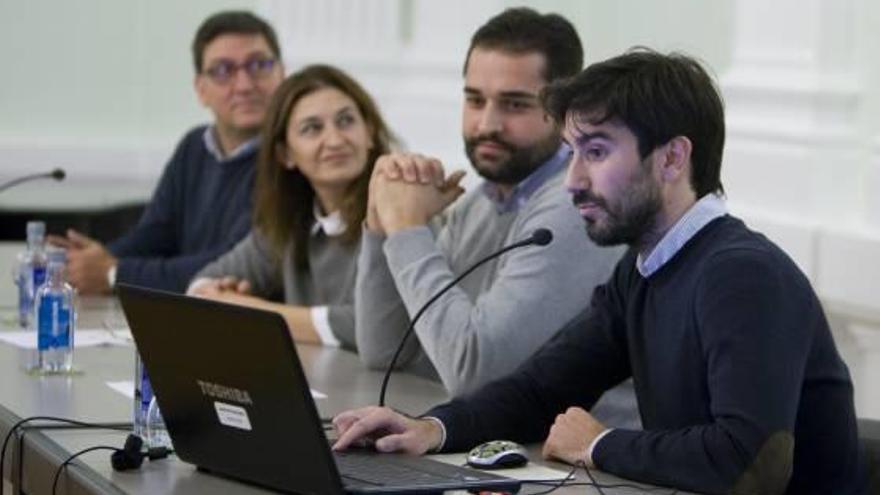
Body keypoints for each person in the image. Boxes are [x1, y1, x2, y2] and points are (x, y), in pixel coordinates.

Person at [332, 49, 868, 495]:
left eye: (596, 151)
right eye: (571, 153)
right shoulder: (643, 271)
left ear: (672, 159)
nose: (573, 180)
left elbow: (749, 462)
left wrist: (599, 443)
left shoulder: (743, 275)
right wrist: (431, 428)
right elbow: (539, 389)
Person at [355, 7, 625, 410]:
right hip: (495, 436)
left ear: (566, 111)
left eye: (515, 104)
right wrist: (382, 220)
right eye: (474, 100)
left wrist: (407, 226)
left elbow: (475, 373)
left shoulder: (577, 208)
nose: (486, 124)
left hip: (571, 449)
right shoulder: (480, 202)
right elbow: (384, 350)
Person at [48, 11, 284, 294]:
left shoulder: (291, 160)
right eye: (223, 71)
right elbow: (156, 234)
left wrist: (113, 272)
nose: (244, 85)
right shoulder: (194, 145)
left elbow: (233, 263)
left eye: (258, 65)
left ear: (281, 74)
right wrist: (91, 260)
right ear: (201, 89)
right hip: (188, 309)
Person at [187, 65, 393, 347]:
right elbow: (201, 286)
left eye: (346, 121)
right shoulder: (292, 222)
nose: (335, 140)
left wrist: (248, 310)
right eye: (312, 129)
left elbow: (368, 326)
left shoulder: (401, 212)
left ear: (369, 132)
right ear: (285, 154)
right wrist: (221, 292)